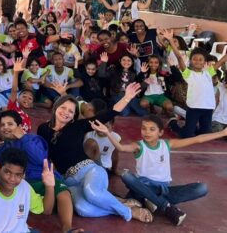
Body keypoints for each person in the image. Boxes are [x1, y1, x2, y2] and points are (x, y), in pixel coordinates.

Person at [91, 115, 227, 225]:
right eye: (144, 128)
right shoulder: (139, 146)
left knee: (202, 188)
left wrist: (224, 132)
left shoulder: (167, 144)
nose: (146, 132)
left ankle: (152, 201)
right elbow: (121, 147)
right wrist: (107, 132)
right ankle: (166, 207)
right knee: (127, 176)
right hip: (143, 185)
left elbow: (197, 139)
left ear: (160, 132)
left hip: (163, 189)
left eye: (152, 129)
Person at [37, 82, 152, 223]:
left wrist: (126, 97)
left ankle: (129, 212)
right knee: (82, 209)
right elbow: (41, 152)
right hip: (69, 181)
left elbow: (108, 113)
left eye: (71, 111)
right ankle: (120, 205)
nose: (66, 113)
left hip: (90, 170)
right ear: (55, 108)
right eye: (63, 108)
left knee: (92, 193)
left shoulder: (78, 126)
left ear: (74, 116)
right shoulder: (43, 129)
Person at [0, 110, 78, 232]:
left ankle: (67, 228)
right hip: (20, 183)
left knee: (63, 192)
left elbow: (40, 159)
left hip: (43, 179)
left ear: (19, 126)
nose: (6, 128)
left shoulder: (33, 139)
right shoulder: (4, 147)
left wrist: (23, 138)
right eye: (3, 125)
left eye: (10, 124)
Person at [162, 29, 227, 138]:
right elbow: (179, 57)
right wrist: (170, 40)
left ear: (205, 62)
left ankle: (191, 128)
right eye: (194, 59)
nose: (197, 61)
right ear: (190, 61)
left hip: (207, 109)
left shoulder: (208, 72)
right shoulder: (188, 74)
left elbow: (222, 60)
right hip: (193, 108)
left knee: (204, 135)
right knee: (187, 135)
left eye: (200, 59)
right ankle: (173, 123)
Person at [0, 148, 56, 233]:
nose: (12, 179)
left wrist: (49, 186)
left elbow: (46, 210)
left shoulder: (25, 187)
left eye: (18, 175)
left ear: (23, 174)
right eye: (7, 172)